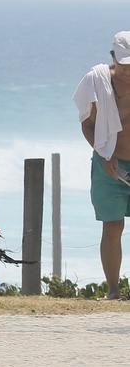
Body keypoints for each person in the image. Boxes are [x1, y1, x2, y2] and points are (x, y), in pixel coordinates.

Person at [74, 31, 130, 300]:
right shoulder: (97, 81)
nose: (129, 70)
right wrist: (104, 154)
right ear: (113, 59)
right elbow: (87, 124)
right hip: (109, 162)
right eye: (124, 65)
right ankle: (113, 290)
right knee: (112, 226)